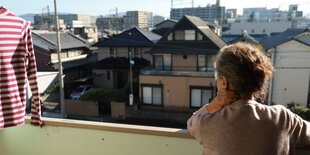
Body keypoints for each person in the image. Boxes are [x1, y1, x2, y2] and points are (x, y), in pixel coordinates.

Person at [187, 42, 310, 155]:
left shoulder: (206, 123)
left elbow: (190, 123)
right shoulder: (282, 117)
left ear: (224, 82)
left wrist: (215, 104)